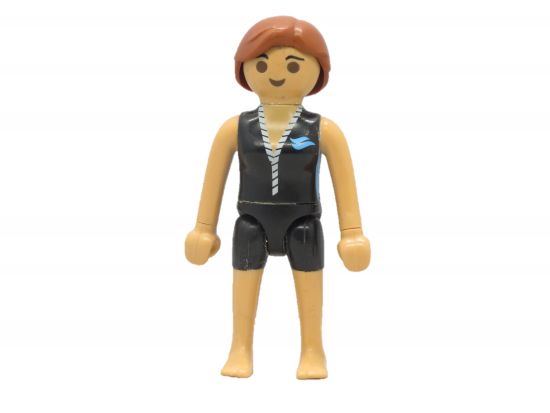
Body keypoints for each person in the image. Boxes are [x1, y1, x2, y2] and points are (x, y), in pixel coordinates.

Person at [185, 16, 371, 379]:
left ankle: (313, 350)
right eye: (262, 64)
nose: (276, 74)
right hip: (251, 222)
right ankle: (239, 348)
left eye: (293, 65)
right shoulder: (234, 129)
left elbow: (344, 182)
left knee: (310, 284)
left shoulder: (322, 130)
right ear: (244, 68)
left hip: (303, 222)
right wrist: (203, 228)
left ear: (317, 70)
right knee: (243, 284)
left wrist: (352, 233)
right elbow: (214, 179)